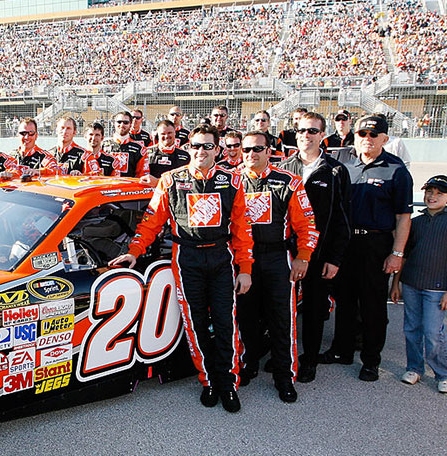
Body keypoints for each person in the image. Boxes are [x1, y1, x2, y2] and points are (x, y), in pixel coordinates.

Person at [109, 124, 254, 413]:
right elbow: (151, 221)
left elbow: (242, 228)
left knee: (225, 322)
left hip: (221, 257)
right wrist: (134, 252)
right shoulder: (170, 180)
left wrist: (246, 268)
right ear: (189, 148)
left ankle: (228, 383)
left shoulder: (233, 181)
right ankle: (208, 381)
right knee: (195, 323)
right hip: (186, 258)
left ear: (217, 150)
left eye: (207, 146)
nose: (201, 151)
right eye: (196, 145)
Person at [322, 114, 413, 381]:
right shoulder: (344, 166)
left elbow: (403, 217)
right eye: (362, 134)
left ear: (385, 138)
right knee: (345, 300)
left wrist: (397, 254)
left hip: (376, 244)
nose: (367, 139)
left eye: (374, 135)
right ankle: (342, 350)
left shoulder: (396, 170)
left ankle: (371, 360)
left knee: (373, 305)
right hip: (346, 243)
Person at [236, 131, 319, 403]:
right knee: (245, 316)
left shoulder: (289, 181)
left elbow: (307, 224)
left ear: (269, 151)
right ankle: (248, 363)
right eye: (246, 149)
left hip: (277, 257)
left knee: (282, 319)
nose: (251, 154)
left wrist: (303, 256)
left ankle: (285, 376)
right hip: (243, 258)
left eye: (257, 149)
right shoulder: (232, 180)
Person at [279, 112, 352, 383]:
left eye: (312, 131)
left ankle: (309, 360)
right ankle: (282, 355)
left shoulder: (336, 171)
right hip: (285, 252)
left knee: (313, 308)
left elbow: (344, 219)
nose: (305, 136)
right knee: (281, 307)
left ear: (322, 135)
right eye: (301, 131)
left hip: (319, 254)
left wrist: (335, 258)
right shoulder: (284, 168)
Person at [390, 175, 447, 394]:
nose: (432, 197)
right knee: (411, 329)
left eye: (439, 193)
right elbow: (403, 256)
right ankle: (414, 368)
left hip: (437, 288)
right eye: (429, 192)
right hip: (412, 284)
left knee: (433, 333)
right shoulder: (416, 223)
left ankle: (442, 373)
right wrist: (396, 284)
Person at [140, 120, 190, 187]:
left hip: (174, 191)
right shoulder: (146, 153)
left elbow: (187, 181)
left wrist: (158, 182)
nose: (166, 136)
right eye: (163, 134)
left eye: (169, 133)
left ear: (175, 133)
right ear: (158, 134)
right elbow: (140, 176)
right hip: (151, 191)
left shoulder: (185, 155)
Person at [102, 111, 148, 178]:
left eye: (125, 122)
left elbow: (142, 176)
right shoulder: (103, 145)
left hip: (130, 184)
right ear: (114, 123)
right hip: (108, 183)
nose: (122, 125)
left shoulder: (139, 149)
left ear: (130, 124)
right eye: (119, 122)